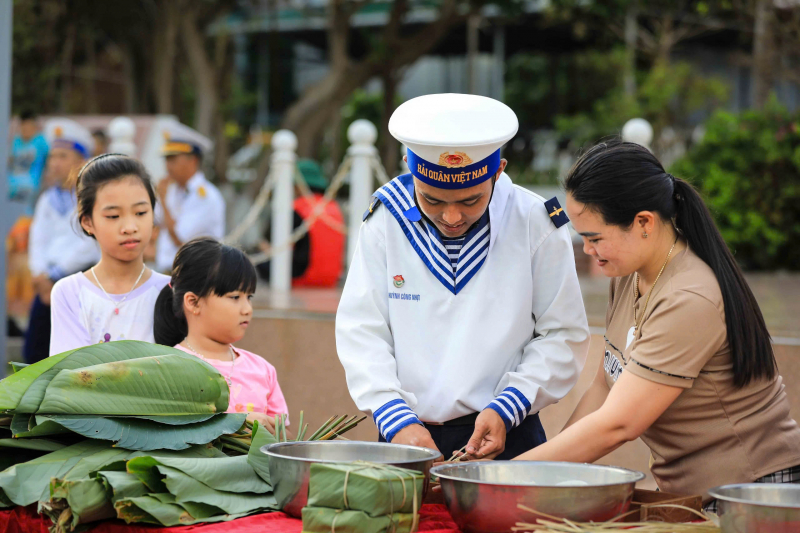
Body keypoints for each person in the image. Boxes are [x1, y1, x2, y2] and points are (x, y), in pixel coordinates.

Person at [513, 140, 800, 509]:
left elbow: (620, 424)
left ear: (644, 222)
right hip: (693, 493)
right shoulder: (630, 273)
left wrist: (513, 475)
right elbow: (604, 385)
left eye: (595, 238)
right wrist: (546, 470)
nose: (587, 251)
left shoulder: (688, 298)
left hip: (750, 492)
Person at [336, 94, 590, 460]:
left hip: (507, 432)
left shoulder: (535, 221)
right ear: (409, 167)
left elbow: (562, 333)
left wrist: (508, 406)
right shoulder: (385, 220)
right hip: (404, 434)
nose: (452, 217)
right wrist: (393, 415)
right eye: (433, 201)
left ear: (498, 171)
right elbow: (361, 329)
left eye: (470, 201)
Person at [154, 237, 288, 431]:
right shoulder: (166, 368)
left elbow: (285, 436)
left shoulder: (262, 370)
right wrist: (235, 423)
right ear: (193, 302)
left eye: (248, 297)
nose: (247, 309)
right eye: (235, 297)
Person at [48, 154, 170, 355]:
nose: (130, 227)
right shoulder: (70, 293)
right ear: (87, 222)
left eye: (140, 213)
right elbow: (69, 376)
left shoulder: (170, 292)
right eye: (113, 216)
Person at [24, 119, 101, 363]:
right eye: (52, 156)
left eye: (62, 156)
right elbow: (38, 239)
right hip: (46, 283)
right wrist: (40, 274)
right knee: (34, 353)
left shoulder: (93, 197)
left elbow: (90, 243)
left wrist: (54, 275)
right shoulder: (48, 198)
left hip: (78, 278)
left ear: (80, 161)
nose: (54, 163)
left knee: (75, 356)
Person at [255, 159, 345, 287]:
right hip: (331, 279)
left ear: (297, 185)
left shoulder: (295, 207)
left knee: (259, 258)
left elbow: (269, 246)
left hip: (302, 276)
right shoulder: (334, 207)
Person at [155, 122, 225, 273]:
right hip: (170, 270)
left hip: (195, 273)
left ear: (193, 160)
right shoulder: (173, 191)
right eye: (167, 159)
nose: (168, 166)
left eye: (173, 159)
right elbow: (155, 226)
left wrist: (163, 201)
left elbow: (180, 238)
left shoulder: (205, 196)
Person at [8, 110, 49, 209]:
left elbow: (49, 161)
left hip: (31, 190)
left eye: (28, 125)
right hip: (11, 189)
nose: (25, 128)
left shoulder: (41, 141)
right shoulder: (16, 141)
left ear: (34, 126)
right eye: (22, 125)